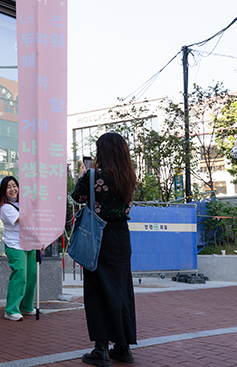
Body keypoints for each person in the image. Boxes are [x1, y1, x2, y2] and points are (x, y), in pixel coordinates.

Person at [71, 132, 137, 366]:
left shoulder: (93, 176)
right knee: (121, 290)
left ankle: (101, 348)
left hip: (98, 236)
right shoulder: (130, 177)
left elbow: (77, 196)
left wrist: (82, 176)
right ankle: (123, 346)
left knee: (97, 291)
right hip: (121, 238)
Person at [0, 176, 36, 321]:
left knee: (32, 276)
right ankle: (11, 310)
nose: (13, 190)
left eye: (14, 186)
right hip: (15, 245)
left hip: (30, 243)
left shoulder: (22, 204)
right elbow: (22, 219)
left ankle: (26, 307)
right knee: (20, 275)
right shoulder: (5, 207)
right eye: (8, 187)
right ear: (3, 191)